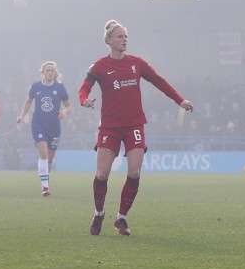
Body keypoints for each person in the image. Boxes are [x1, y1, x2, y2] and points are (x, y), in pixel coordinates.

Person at [78, 20, 193, 236]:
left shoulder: (137, 63)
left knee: (134, 171)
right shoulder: (100, 66)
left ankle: (121, 218)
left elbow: (159, 81)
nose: (124, 40)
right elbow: (83, 89)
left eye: (125, 36)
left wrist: (180, 100)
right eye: (120, 37)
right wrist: (84, 100)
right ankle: (99, 212)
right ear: (109, 40)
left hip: (134, 125)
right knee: (102, 174)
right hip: (110, 127)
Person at [15, 61, 71, 197]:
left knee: (50, 157)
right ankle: (45, 188)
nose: (50, 72)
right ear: (43, 72)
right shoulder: (36, 87)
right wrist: (22, 115)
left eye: (52, 70)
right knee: (44, 153)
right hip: (38, 124)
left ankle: (44, 170)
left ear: (55, 73)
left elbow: (68, 105)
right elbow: (28, 101)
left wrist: (65, 112)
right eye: (47, 70)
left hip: (54, 126)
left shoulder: (60, 88)